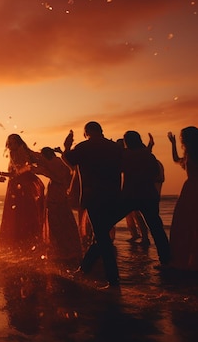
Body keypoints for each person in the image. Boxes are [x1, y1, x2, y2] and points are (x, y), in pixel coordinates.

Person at [62, 123, 123, 288]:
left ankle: (113, 278)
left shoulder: (84, 146)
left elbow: (68, 161)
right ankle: (84, 269)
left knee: (102, 237)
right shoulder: (114, 147)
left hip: (93, 196)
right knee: (101, 234)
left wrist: (67, 146)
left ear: (86, 132)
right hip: (113, 195)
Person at [113, 131, 170, 267]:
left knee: (107, 223)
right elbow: (155, 173)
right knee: (156, 228)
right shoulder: (149, 155)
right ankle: (166, 259)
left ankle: (96, 260)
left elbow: (117, 168)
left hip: (130, 195)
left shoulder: (125, 155)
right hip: (149, 195)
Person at [34, 147, 82, 265]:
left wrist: (43, 171)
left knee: (56, 222)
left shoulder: (55, 163)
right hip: (60, 193)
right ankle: (68, 249)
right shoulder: (59, 162)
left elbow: (59, 177)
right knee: (64, 220)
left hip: (57, 193)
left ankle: (62, 251)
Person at [0, 134, 45, 252]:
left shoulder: (19, 151)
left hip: (22, 185)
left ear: (18, 143)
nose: (11, 145)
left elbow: (22, 169)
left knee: (23, 213)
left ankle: (24, 242)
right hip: (17, 185)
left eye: (13, 142)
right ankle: (25, 242)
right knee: (21, 214)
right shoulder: (17, 152)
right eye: (10, 142)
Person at [167, 126, 198, 271]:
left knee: (187, 224)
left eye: (182, 137)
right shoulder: (188, 153)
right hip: (189, 189)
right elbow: (176, 159)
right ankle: (184, 258)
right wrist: (172, 144)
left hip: (192, 189)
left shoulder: (194, 153)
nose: (182, 140)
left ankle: (188, 260)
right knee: (184, 224)